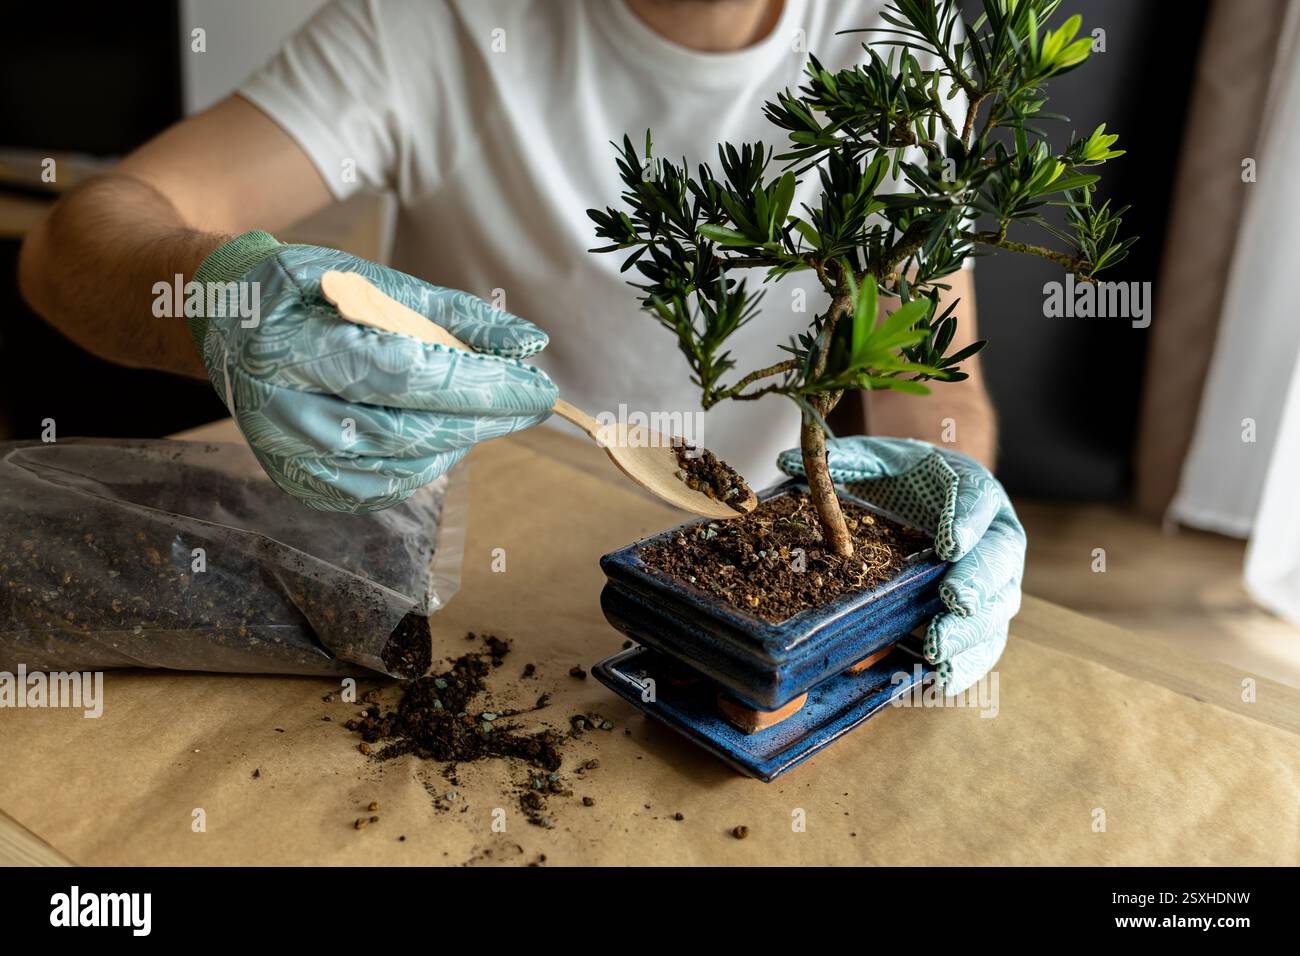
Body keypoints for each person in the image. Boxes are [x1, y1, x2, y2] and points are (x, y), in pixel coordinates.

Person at [18, 0, 1019, 693]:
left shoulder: (899, 58)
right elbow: (72, 242)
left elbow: (934, 388)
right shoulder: (433, 25)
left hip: (726, 585)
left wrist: (938, 505)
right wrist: (225, 301)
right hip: (434, 584)